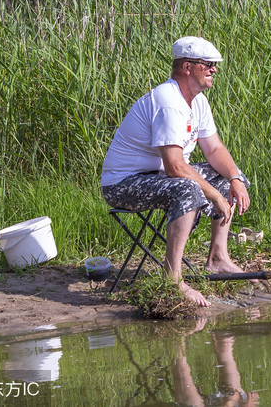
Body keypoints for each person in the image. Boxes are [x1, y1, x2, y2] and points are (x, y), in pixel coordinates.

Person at [101, 36, 252, 307]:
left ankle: (218, 258)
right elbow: (175, 166)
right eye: (207, 65)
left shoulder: (199, 102)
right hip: (123, 183)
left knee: (228, 176)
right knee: (188, 187)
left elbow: (215, 150)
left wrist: (235, 179)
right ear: (187, 68)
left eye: (213, 65)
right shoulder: (168, 101)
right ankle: (173, 279)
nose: (214, 70)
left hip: (156, 177)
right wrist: (215, 198)